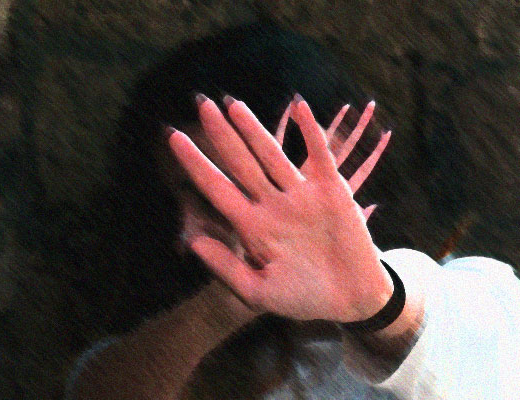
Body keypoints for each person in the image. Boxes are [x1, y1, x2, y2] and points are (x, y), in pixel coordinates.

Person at [67, 24, 520, 399]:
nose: (185, 234)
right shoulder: (199, 340)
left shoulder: (478, 300)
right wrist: (222, 309)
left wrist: (379, 304)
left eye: (214, 192)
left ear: (332, 155)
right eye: (174, 200)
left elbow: (484, 363)